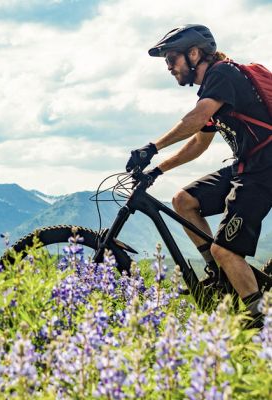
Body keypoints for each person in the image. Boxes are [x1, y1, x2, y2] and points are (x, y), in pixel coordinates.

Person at [125, 24, 271, 327]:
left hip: (265, 169)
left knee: (225, 250)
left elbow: (197, 118)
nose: (168, 67)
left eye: (171, 59)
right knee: (183, 201)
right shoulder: (215, 90)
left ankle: (259, 326)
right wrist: (157, 170)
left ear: (194, 54)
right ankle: (221, 277)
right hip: (246, 165)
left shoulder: (222, 74)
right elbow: (200, 142)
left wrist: (153, 147)